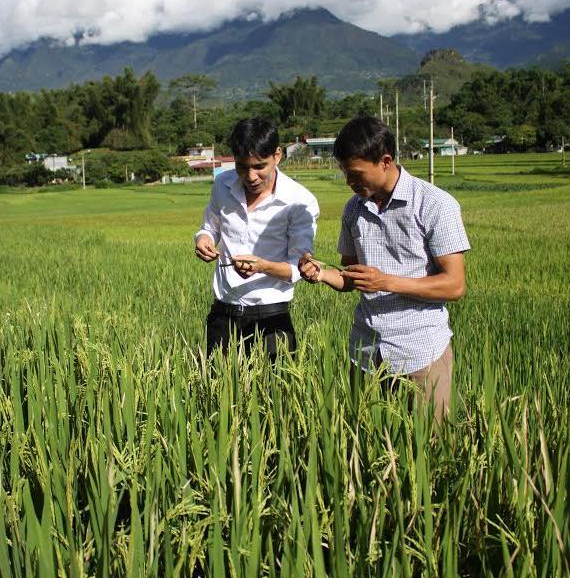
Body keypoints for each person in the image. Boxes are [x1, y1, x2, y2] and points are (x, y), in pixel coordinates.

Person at [298, 116, 469, 419]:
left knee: (426, 449)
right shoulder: (354, 209)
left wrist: (386, 282)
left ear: (385, 161)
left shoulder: (435, 205)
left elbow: (454, 285)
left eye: (356, 174)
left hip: (420, 353)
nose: (350, 182)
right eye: (345, 174)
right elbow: (351, 278)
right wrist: (321, 273)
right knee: (363, 441)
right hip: (365, 352)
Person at [194, 117, 319, 361]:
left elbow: (299, 268)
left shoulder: (300, 201)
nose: (250, 176)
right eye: (242, 167)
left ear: (277, 156)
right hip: (223, 316)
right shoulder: (222, 185)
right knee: (216, 394)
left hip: (271, 320)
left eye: (260, 166)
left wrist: (262, 266)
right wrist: (203, 240)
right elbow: (209, 227)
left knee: (274, 396)